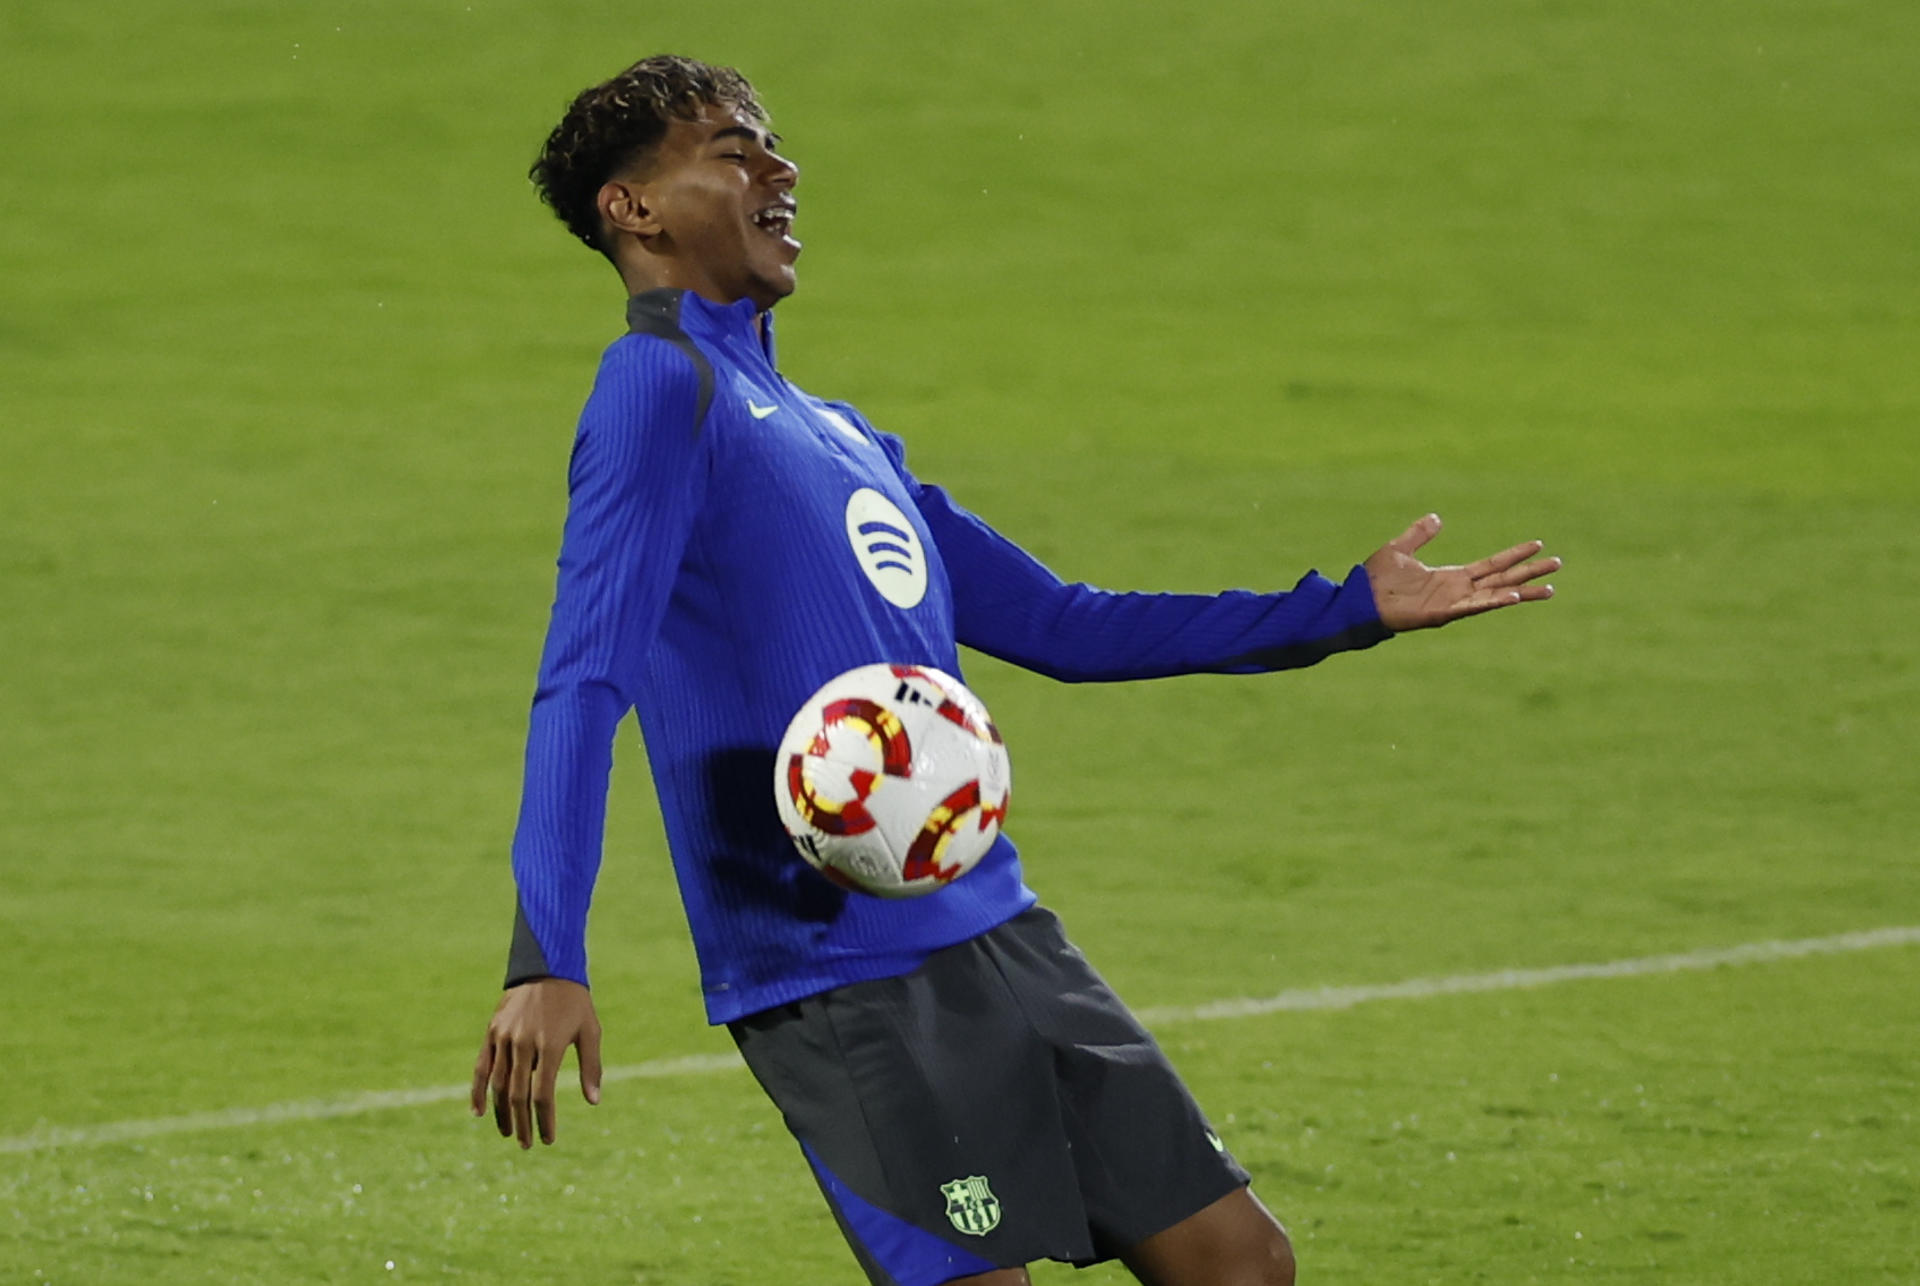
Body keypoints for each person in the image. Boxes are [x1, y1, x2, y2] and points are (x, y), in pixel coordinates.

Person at [469, 54, 1558, 1286]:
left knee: (1243, 1263)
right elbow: (583, 676)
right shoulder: (657, 389)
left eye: (772, 144)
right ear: (634, 209)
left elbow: (1068, 624)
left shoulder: (842, 433)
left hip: (998, 927)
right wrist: (545, 952)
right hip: (837, 973)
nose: (780, 169)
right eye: (733, 148)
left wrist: (1348, 607)